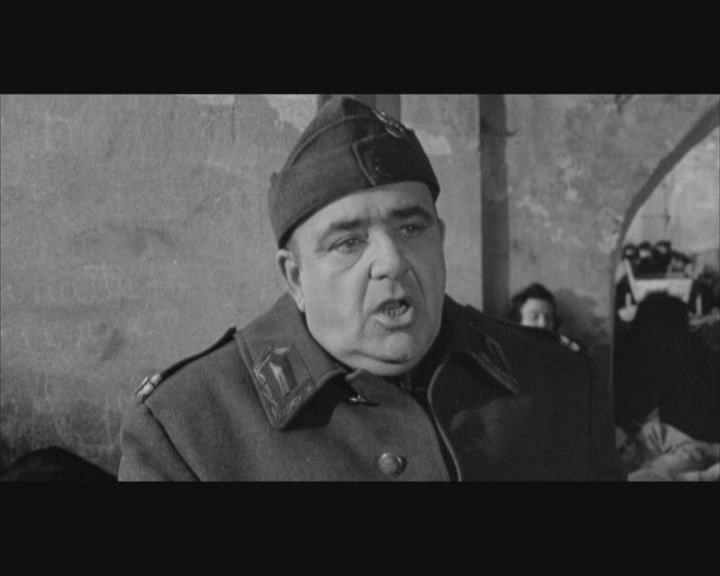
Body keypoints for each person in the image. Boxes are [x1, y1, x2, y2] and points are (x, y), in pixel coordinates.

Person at [118, 96, 623, 481]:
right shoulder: (188, 431)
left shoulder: (557, 383)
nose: (392, 261)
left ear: (441, 238)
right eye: (348, 242)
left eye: (411, 228)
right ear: (295, 276)